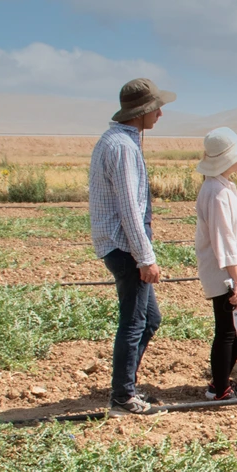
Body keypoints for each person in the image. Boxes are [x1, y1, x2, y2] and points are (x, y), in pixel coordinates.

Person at [89, 77, 175, 416]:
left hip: (118, 244)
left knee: (149, 318)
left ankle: (126, 388)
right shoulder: (123, 147)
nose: (160, 114)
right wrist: (145, 257)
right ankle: (123, 398)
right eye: (156, 108)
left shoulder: (116, 140)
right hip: (125, 247)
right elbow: (129, 207)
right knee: (135, 321)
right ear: (141, 112)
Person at [194, 127, 237, 402]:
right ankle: (219, 389)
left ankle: (220, 382)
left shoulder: (224, 186)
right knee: (229, 330)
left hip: (234, 272)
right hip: (227, 274)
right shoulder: (217, 192)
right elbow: (224, 239)